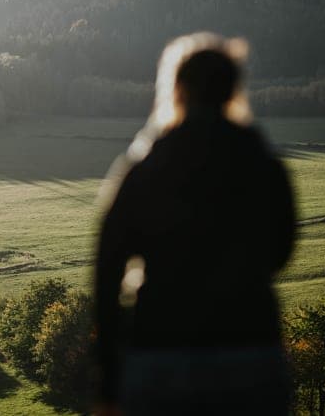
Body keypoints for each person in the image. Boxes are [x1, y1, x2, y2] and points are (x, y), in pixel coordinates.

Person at [94, 32, 297, 415]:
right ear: (234, 88)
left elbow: (107, 270)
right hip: (250, 348)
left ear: (176, 88)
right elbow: (281, 251)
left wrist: (107, 378)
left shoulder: (147, 167)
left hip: (160, 351)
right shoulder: (263, 163)